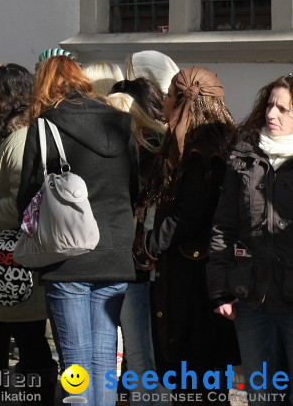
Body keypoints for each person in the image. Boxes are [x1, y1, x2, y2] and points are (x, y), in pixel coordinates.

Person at [16, 55, 137, 406]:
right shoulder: (121, 123)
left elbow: (27, 195)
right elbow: (132, 187)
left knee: (75, 365)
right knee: (103, 362)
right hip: (115, 250)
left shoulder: (45, 126)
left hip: (66, 254)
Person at [135, 67, 239, 403]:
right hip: (201, 272)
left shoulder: (201, 152)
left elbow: (189, 216)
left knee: (196, 369)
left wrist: (149, 246)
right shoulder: (214, 143)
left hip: (195, 276)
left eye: (168, 95)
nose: (163, 102)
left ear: (183, 102)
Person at [0, 63, 56, 405]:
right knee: (10, 346)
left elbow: (22, 206)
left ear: (6, 100)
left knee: (28, 348)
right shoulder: (11, 136)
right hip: (7, 266)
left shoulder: (19, 140)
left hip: (15, 267)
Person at [210, 74, 293, 406]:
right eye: (270, 105)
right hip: (252, 303)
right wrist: (220, 290)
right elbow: (224, 227)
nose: (271, 114)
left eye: (284, 109)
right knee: (262, 397)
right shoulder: (245, 159)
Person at [106, 78, 169, 406]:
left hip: (137, 263)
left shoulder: (147, 150)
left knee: (140, 355)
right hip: (135, 261)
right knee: (138, 354)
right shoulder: (152, 146)